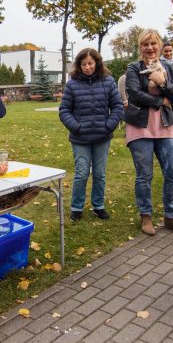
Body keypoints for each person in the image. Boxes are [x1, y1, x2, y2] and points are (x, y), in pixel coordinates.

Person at [124, 29, 173, 236]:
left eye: (153, 43)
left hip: (166, 125)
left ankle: (171, 216)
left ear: (159, 45)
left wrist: (162, 82)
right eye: (145, 44)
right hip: (140, 126)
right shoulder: (134, 68)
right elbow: (135, 94)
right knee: (144, 174)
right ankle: (146, 216)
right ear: (140, 47)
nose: (150, 47)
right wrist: (161, 100)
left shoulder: (170, 67)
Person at [59, 48, 124, 221]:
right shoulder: (72, 84)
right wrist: (76, 127)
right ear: (79, 65)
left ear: (97, 63)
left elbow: (117, 107)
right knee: (81, 173)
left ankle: (98, 205)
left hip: (102, 136)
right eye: (83, 64)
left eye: (90, 63)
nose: (87, 67)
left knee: (99, 173)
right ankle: (76, 207)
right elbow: (64, 110)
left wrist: (109, 126)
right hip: (80, 138)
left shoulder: (108, 81)